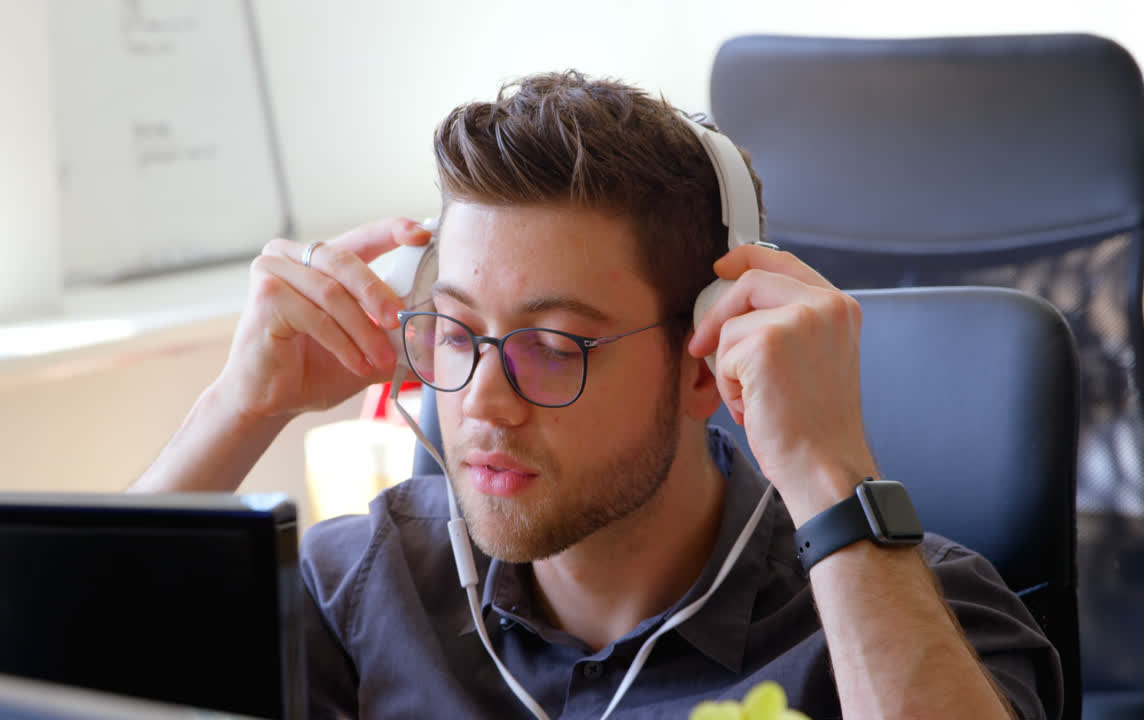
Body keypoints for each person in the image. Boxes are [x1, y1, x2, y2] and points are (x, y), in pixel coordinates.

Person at [132, 71, 1061, 719]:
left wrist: (828, 472)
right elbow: (30, 678)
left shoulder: (912, 611)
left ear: (702, 365)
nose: (483, 405)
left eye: (551, 346)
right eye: (456, 333)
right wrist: (238, 409)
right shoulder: (368, 586)